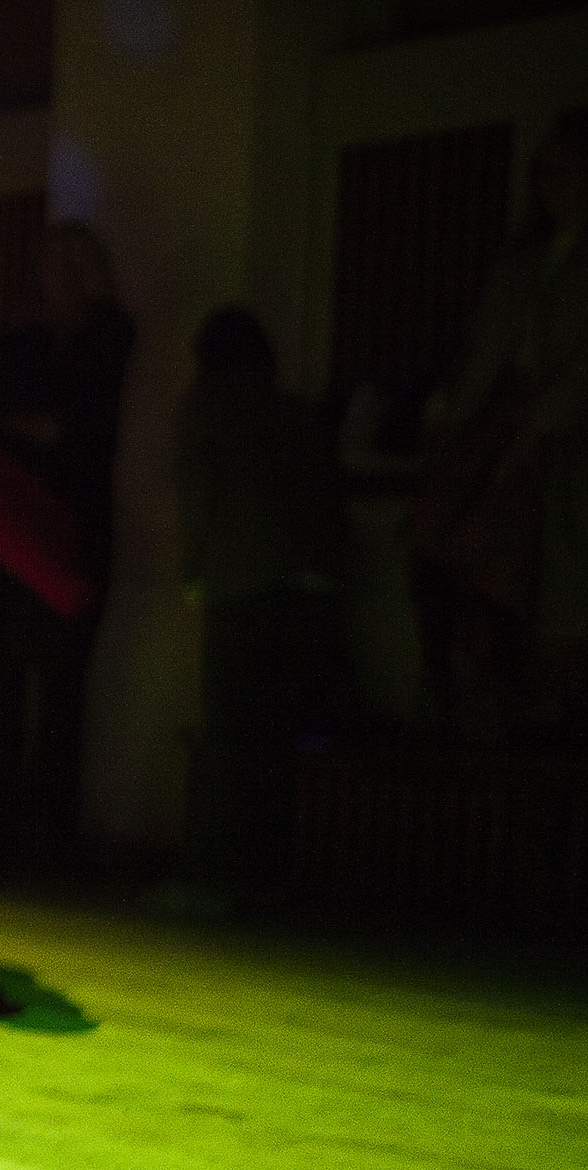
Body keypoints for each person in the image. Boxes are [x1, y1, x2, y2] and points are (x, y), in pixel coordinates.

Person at [410, 124, 588, 737]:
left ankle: (519, 700)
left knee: (540, 572)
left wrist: (535, 421)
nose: (550, 184)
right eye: (542, 171)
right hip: (502, 414)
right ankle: (474, 685)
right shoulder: (521, 258)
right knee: (444, 537)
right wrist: (451, 413)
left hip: (568, 434)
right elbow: (485, 345)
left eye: (563, 169)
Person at [0, 221, 134, 870]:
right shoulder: (19, 346)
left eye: (70, 262)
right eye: (49, 261)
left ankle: (47, 831)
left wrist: (32, 429)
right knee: (5, 677)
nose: (55, 274)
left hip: (72, 526)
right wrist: (33, 430)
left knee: (62, 683)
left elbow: (80, 426)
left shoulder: (100, 340)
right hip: (18, 526)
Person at [171, 307, 344, 900]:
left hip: (237, 582)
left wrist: (192, 573)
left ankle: (214, 880)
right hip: (304, 589)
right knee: (273, 739)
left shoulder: (205, 412)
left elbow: (198, 500)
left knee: (227, 738)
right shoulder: (296, 413)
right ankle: (265, 880)